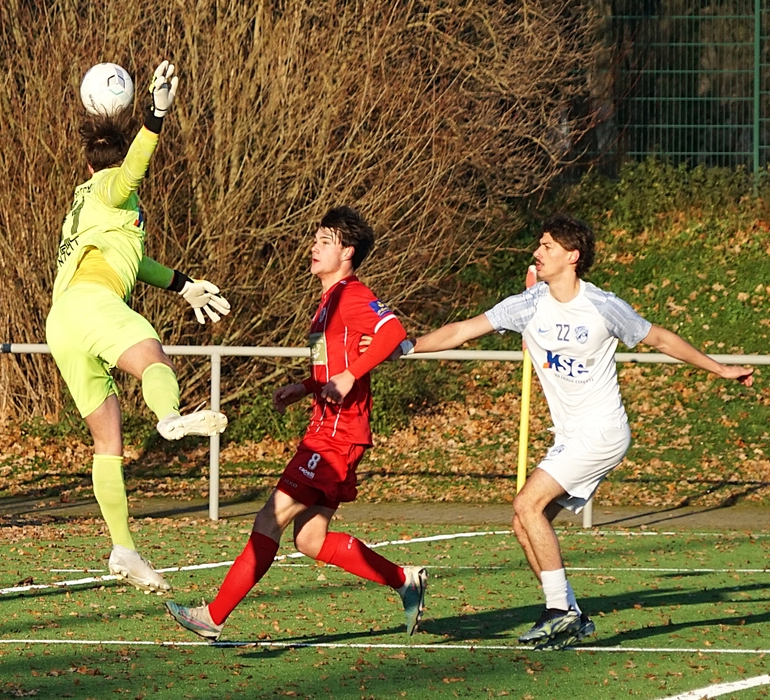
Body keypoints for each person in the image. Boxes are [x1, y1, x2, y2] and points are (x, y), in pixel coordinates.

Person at [391, 213, 754, 650]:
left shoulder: (603, 306)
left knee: (526, 503)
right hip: (570, 436)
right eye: (539, 245)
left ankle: (559, 611)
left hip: (601, 431)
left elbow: (659, 338)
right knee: (525, 522)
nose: (536, 253)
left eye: (546, 246)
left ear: (572, 256)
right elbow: (463, 330)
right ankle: (572, 616)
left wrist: (720, 369)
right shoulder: (529, 304)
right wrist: (407, 346)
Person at [165, 206, 428, 642]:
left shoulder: (352, 294)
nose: (314, 247)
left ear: (347, 252)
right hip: (331, 429)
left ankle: (212, 616)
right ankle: (404, 580)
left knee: (271, 516)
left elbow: (392, 332)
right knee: (310, 539)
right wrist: (305, 387)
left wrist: (351, 375)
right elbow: (335, 363)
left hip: (336, 435)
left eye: (325, 241)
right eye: (316, 239)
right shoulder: (327, 302)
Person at [45, 60, 231, 594]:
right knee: (153, 358)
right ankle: (169, 416)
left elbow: (134, 262)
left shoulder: (84, 204)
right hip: (91, 304)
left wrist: (182, 284)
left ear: (85, 161)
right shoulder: (111, 187)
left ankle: (123, 547)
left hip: (63, 322)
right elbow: (130, 173)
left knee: (108, 441)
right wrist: (155, 116)